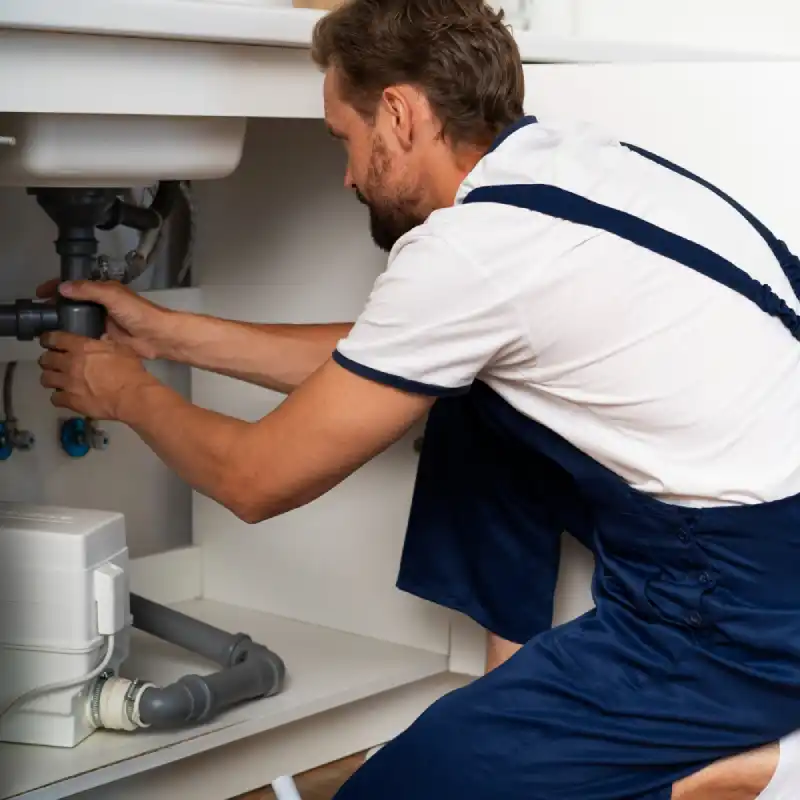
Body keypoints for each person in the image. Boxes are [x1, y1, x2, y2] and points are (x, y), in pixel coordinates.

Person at [35, 0, 800, 797]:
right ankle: (521, 698)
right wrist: (165, 337)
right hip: (760, 541)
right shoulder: (567, 162)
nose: (347, 174)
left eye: (347, 138)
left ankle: (745, 772)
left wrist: (123, 393)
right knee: (465, 392)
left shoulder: (469, 253)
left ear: (398, 113)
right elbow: (390, 355)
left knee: (405, 789)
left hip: (737, 612)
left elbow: (255, 479)